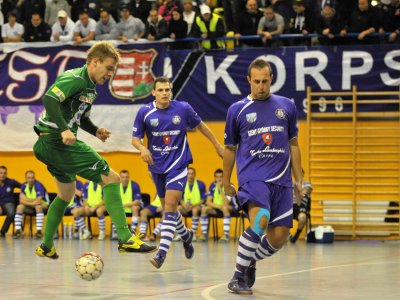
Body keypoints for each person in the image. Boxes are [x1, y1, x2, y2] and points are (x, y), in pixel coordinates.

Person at [33, 41, 156, 259]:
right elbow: (49, 99)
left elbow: (78, 117)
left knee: (66, 194)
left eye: (113, 70)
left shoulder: (91, 89)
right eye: (109, 68)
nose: (110, 74)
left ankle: (46, 245)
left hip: (50, 145)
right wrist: (63, 130)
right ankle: (126, 238)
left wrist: (95, 130)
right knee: (111, 177)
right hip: (54, 141)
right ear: (95, 62)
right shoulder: (76, 79)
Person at [223, 59, 302, 294]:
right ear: (248, 80)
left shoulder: (286, 106)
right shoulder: (237, 110)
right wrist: (227, 181)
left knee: (279, 237)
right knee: (261, 220)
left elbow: (294, 144)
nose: (260, 86)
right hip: (253, 177)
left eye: (265, 81)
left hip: (282, 180)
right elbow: (230, 148)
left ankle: (250, 259)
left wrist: (299, 179)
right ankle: (237, 277)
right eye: (256, 82)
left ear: (271, 79)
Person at [132, 76, 224, 269]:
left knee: (171, 206)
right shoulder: (145, 112)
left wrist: (216, 145)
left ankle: (161, 254)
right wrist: (143, 149)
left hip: (178, 165)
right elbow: (135, 139)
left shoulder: (182, 108)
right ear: (154, 93)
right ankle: (186, 235)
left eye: (168, 89)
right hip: (157, 167)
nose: (165, 93)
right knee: (170, 210)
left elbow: (201, 127)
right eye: (161, 90)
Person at [199, 168, 233, 242]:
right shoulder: (212, 185)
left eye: (221, 177)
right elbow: (208, 202)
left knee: (225, 207)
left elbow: (226, 202)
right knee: (205, 209)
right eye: (217, 177)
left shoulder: (229, 185)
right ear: (215, 178)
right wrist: (218, 206)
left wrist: (220, 189)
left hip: (230, 208)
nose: (219, 179)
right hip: (218, 207)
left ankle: (226, 235)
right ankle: (204, 235)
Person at [13, 170, 49, 239]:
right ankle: (18, 231)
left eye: (32, 178)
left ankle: (39, 232)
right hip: (31, 206)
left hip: (44, 205)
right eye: (29, 178)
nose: (31, 180)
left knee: (38, 207)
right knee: (19, 207)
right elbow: (21, 200)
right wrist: (32, 202)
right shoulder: (23, 185)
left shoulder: (38, 185)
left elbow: (39, 201)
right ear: (26, 178)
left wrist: (26, 200)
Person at [174, 166, 206, 241]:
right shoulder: (182, 183)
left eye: (192, 174)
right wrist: (183, 204)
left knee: (195, 210)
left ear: (195, 174)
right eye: (188, 174)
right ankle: (180, 233)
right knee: (177, 209)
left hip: (197, 205)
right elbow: (179, 197)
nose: (190, 175)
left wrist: (193, 205)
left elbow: (203, 199)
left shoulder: (201, 184)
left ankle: (193, 234)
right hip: (185, 206)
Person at [290, 176, 312, 244]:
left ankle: (296, 235)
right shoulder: (289, 183)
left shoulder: (306, 183)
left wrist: (297, 190)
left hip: (301, 206)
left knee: (303, 218)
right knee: (279, 218)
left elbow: (307, 190)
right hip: (289, 205)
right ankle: (287, 235)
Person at [0, 166, 21, 237]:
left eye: (4, 173)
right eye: (1, 173)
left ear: (6, 174)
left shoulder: (11, 182)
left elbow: (23, 187)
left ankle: (3, 231)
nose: (2, 175)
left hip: (9, 203)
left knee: (12, 213)